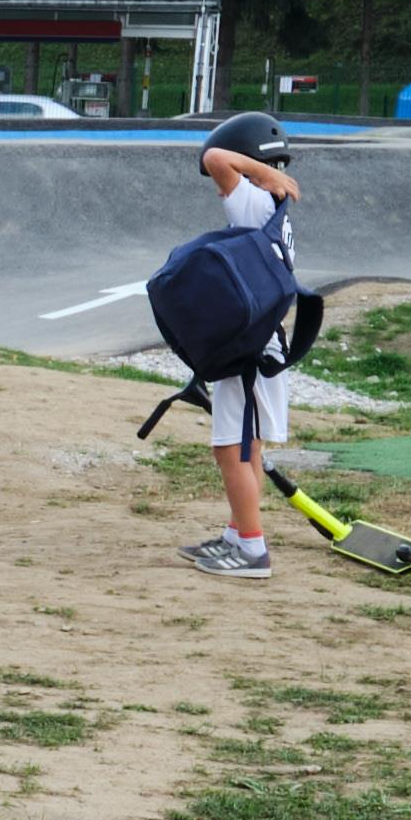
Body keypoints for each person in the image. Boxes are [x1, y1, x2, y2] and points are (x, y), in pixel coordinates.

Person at [172, 112, 308, 575]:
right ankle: (237, 534)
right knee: (247, 448)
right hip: (262, 347)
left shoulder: (254, 200)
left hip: (252, 352)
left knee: (231, 450)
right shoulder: (271, 210)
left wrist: (259, 172)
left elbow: (214, 158)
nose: (219, 189)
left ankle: (252, 549)